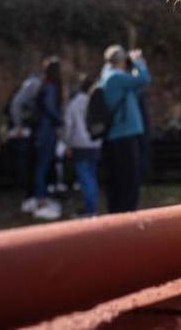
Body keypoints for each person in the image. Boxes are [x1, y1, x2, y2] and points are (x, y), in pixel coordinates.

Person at [98, 45, 149, 213]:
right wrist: (138, 62)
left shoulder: (109, 75)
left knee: (120, 179)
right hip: (123, 135)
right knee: (129, 179)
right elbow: (144, 78)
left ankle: (120, 213)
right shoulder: (116, 77)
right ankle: (126, 214)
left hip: (119, 135)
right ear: (120, 60)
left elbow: (137, 88)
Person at [30, 57, 64, 221]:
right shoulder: (50, 87)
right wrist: (60, 121)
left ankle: (40, 196)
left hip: (43, 129)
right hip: (47, 130)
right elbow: (51, 108)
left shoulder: (44, 85)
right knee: (42, 165)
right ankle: (40, 199)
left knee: (41, 165)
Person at [63, 74, 101, 216]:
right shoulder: (96, 100)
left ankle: (90, 208)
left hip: (79, 144)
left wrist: (67, 142)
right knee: (91, 176)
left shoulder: (74, 103)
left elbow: (68, 125)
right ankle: (92, 205)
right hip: (94, 143)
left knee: (85, 178)